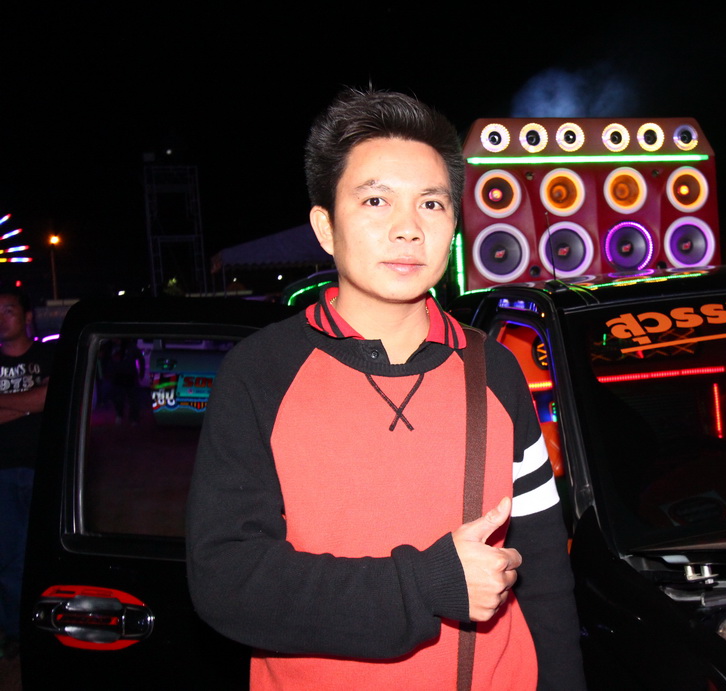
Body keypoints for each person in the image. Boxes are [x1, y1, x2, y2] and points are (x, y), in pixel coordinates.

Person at [186, 89, 585, 690]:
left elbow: (546, 572)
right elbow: (227, 581)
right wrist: (425, 585)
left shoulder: (497, 371)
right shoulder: (260, 374)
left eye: (432, 204)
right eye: (376, 200)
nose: (407, 229)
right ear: (325, 227)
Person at [0, 285, 54, 659]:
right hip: (2, 473)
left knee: (43, 553)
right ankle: (15, 632)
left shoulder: (48, 355)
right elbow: (40, 399)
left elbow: (51, 398)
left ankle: (43, 622)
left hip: (42, 467)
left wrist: (25, 403)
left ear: (28, 316)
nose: (1, 319)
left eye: (8, 310)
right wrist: (31, 404)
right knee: (8, 558)